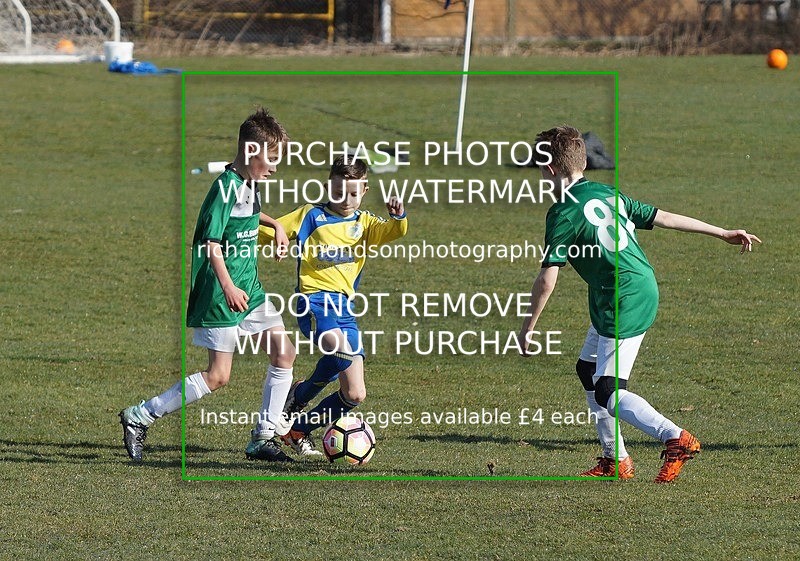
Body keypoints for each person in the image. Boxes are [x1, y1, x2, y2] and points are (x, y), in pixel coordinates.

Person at [518, 125, 760, 482]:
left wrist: (527, 329)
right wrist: (721, 231)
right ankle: (615, 458)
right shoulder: (605, 192)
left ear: (549, 169)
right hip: (618, 291)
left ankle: (675, 438)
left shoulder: (561, 212)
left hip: (624, 297)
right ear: (582, 161)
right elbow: (663, 217)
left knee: (609, 391)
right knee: (588, 371)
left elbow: (547, 279)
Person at [119, 107, 297, 462]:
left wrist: (275, 225)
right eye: (272, 158)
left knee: (284, 352)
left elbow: (245, 214)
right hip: (221, 293)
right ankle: (140, 416)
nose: (275, 167)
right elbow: (210, 244)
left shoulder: (248, 183)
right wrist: (229, 287)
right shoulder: (224, 188)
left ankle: (263, 437)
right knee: (218, 376)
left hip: (250, 288)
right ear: (250, 153)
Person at [258, 156, 407, 456]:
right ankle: (296, 399)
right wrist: (270, 236)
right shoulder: (310, 215)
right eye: (339, 191)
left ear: (364, 191)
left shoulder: (364, 223)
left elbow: (394, 232)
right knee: (340, 353)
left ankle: (299, 428)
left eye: (353, 193)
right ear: (329, 186)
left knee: (355, 393)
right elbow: (271, 232)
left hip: (345, 311)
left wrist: (399, 216)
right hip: (313, 302)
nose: (345, 199)